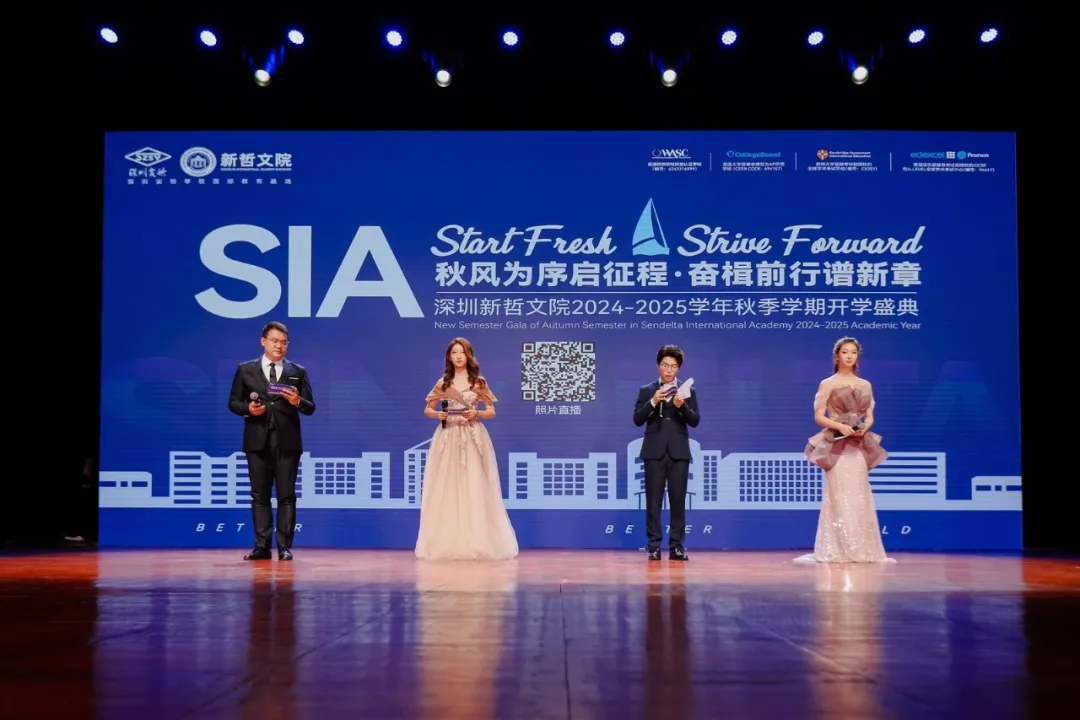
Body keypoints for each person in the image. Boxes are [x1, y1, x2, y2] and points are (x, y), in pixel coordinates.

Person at [415, 337, 519, 561]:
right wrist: (438, 414)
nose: (458, 356)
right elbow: (428, 409)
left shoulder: (478, 382)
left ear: (469, 355)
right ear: (449, 357)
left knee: (474, 484)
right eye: (454, 353)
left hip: (472, 435)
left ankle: (477, 541)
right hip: (449, 436)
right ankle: (449, 542)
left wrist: (477, 413)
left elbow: (491, 411)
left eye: (462, 352)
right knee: (448, 484)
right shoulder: (443, 383)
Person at [796, 337, 894, 564]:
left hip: (857, 444)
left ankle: (862, 548)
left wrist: (865, 427)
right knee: (839, 496)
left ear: (858, 356)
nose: (849, 356)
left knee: (859, 495)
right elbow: (819, 416)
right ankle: (838, 548)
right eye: (845, 352)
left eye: (853, 352)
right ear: (836, 356)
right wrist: (839, 426)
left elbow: (869, 415)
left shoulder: (865, 384)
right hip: (836, 444)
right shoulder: (827, 383)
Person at [228, 321, 315, 562]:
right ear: (263, 341)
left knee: (287, 495)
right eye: (275, 341)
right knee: (260, 496)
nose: (279, 346)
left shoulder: (297, 371)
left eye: (284, 342)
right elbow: (233, 402)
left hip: (287, 442)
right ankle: (262, 547)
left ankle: (285, 547)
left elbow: (310, 407)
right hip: (257, 440)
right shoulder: (245, 369)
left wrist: (297, 401)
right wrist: (248, 409)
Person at [633, 345, 700, 561]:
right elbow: (637, 419)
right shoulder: (647, 390)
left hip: (679, 453)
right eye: (665, 365)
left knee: (678, 501)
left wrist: (681, 405)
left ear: (679, 368)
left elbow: (695, 420)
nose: (669, 370)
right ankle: (653, 546)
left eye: (673, 366)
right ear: (658, 366)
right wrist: (653, 401)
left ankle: (676, 546)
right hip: (654, 452)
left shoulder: (688, 391)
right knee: (653, 501)